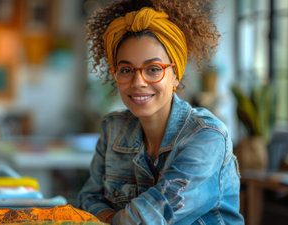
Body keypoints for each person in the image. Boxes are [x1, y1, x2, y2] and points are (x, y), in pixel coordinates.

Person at [77, 0, 245, 224]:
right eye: (126, 70)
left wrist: (104, 219)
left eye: (153, 69)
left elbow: (148, 218)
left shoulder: (207, 137)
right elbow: (88, 199)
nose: (138, 82)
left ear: (176, 75)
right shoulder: (113, 128)